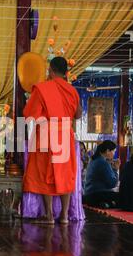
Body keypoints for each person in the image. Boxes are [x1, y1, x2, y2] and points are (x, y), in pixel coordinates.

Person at [22, 56, 82, 225]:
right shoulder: (72, 91)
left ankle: (48, 215)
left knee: (43, 173)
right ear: (66, 72)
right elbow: (78, 115)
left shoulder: (43, 89)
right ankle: (63, 216)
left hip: (46, 136)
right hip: (65, 134)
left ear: (50, 70)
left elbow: (29, 113)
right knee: (65, 174)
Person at [83, 140, 119, 209]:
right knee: (123, 196)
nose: (114, 154)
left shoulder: (93, 160)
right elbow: (112, 183)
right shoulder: (103, 163)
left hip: (88, 194)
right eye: (113, 151)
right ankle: (107, 203)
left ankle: (107, 204)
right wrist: (115, 169)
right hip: (97, 194)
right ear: (108, 151)